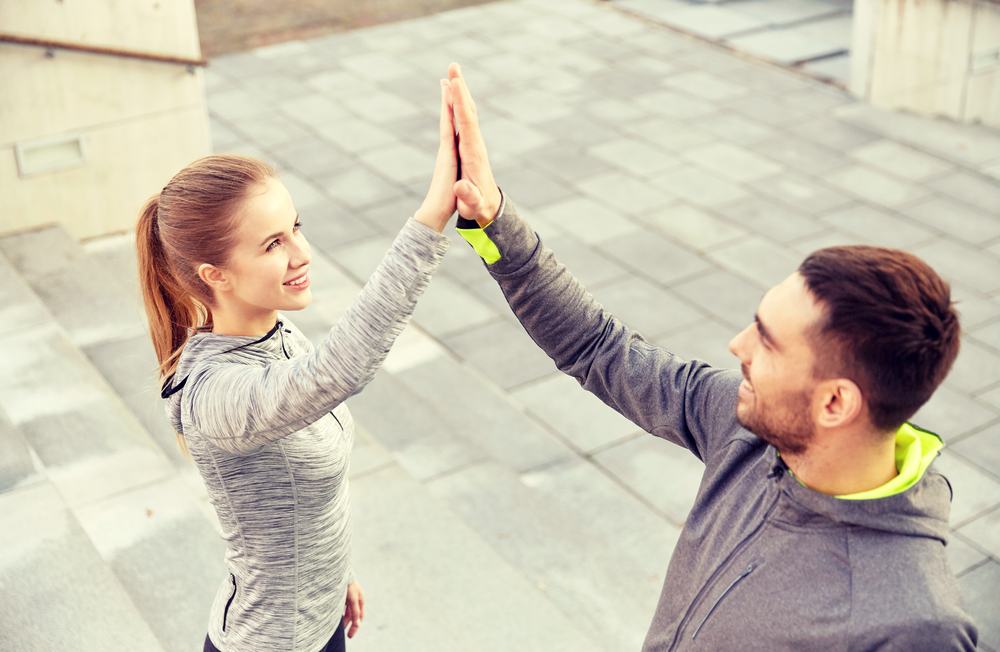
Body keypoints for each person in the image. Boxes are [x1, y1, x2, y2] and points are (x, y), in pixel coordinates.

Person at [442, 63, 979, 650]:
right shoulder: (749, 428)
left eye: (767, 341)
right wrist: (490, 217)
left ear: (834, 401)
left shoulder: (912, 624)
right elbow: (599, 348)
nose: (737, 347)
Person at [135, 80, 459, 652]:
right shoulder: (214, 394)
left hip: (320, 623)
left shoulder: (280, 332)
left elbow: (300, 501)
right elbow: (342, 369)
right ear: (215, 274)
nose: (302, 253)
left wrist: (337, 577)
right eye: (271, 244)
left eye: (296, 228)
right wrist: (434, 213)